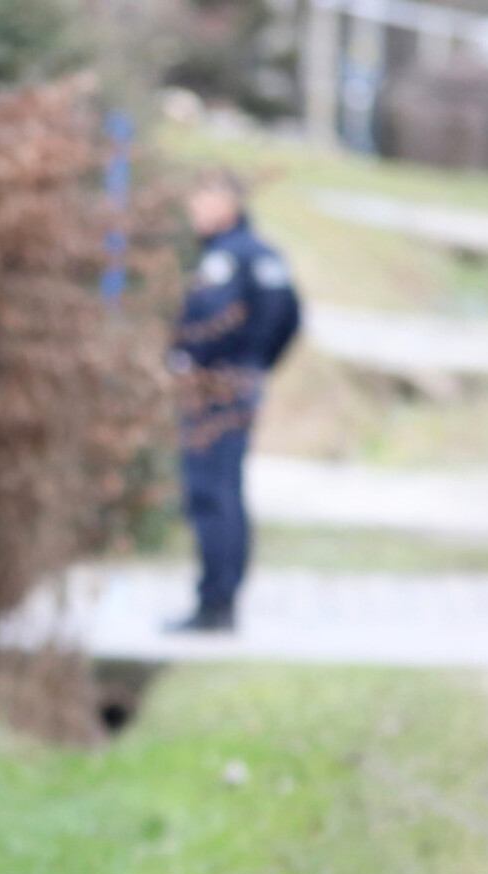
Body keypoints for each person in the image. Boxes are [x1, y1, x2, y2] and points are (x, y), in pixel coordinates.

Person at [166, 169, 301, 633]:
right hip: (240, 383)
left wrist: (210, 366)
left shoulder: (227, 258)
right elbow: (289, 318)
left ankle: (216, 604)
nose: (193, 209)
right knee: (226, 491)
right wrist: (257, 366)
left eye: (201, 198)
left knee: (211, 492)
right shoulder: (263, 254)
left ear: (228, 202)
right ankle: (220, 599)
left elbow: (215, 323)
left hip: (216, 390)